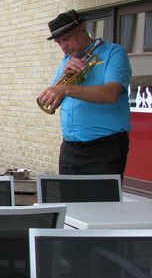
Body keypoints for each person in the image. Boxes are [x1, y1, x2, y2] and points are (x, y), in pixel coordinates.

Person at [37, 9, 131, 176]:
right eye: (58, 42)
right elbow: (51, 101)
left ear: (82, 28)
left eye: (66, 38)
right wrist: (66, 77)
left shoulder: (113, 53)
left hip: (104, 147)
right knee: (68, 201)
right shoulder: (66, 61)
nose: (63, 47)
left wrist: (67, 88)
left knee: (101, 201)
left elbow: (110, 94)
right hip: (70, 148)